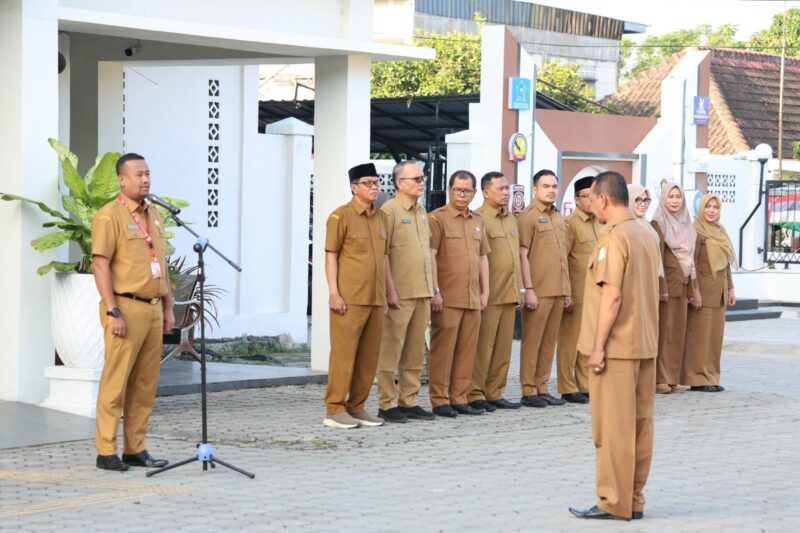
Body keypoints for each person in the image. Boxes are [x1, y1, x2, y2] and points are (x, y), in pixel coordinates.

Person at [569, 171, 661, 521]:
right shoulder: (645, 232)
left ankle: (612, 500)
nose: (590, 204)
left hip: (617, 348)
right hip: (644, 345)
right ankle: (634, 499)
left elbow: (612, 295)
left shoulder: (615, 237)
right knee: (640, 426)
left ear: (603, 199)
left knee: (612, 428)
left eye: (592, 198)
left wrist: (597, 347)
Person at [91, 153, 173, 471]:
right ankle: (105, 450)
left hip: (152, 310)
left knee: (144, 384)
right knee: (116, 382)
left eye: (148, 173)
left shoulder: (154, 214)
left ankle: (134, 448)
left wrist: (168, 306)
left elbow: (161, 265)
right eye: (138, 174)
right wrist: (112, 311)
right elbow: (100, 265)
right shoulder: (109, 216)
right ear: (121, 180)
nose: (145, 180)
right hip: (124, 307)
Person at [323, 163, 388, 429]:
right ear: (354, 187)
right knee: (344, 355)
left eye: (376, 183)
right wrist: (334, 293)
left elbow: (384, 258)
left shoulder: (382, 218)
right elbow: (331, 255)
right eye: (367, 183)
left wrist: (389, 293)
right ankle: (335, 408)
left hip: (375, 298)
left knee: (369, 357)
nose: (373, 188)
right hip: (349, 299)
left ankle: (357, 406)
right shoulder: (340, 217)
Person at [375, 161, 436, 423]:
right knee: (391, 350)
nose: (421, 182)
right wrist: (390, 290)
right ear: (400, 183)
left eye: (422, 178)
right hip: (399, 292)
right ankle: (387, 403)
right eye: (415, 179)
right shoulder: (389, 211)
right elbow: (384, 254)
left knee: (414, 351)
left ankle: (409, 400)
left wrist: (432, 288)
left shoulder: (422, 210)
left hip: (421, 291)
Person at [428, 170, 490, 417]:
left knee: (467, 350)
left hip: (472, 296)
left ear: (474, 193)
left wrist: (486, 291)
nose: (462, 195)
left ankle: (459, 396)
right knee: (443, 351)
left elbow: (483, 257)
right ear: (449, 190)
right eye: (458, 190)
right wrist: (435, 291)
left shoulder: (477, 220)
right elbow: (430, 256)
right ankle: (439, 399)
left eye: (467, 191)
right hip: (448, 296)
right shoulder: (437, 219)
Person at [466, 172, 523, 412]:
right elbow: (478, 259)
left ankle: (495, 392)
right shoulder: (478, 219)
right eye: (500, 189)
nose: (506, 193)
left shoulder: (511, 219)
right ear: (486, 192)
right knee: (483, 347)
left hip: (509, 293)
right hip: (489, 294)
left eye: (507, 189)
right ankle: (475, 392)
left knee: (503, 348)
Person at [517, 169, 570, 407]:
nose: (550, 191)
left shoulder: (559, 217)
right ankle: (528, 390)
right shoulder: (528, 217)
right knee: (533, 342)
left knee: (549, 343)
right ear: (535, 189)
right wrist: (528, 288)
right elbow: (522, 254)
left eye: (554, 186)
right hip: (538, 290)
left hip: (558, 289)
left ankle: (542, 386)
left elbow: (563, 257)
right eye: (545, 186)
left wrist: (567, 290)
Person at [682, 194, 737, 392]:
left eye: (715, 207)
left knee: (714, 338)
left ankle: (712, 377)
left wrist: (730, 288)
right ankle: (697, 379)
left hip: (719, 291)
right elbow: (691, 263)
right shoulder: (695, 230)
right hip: (703, 291)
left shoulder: (721, 230)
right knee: (699, 337)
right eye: (708, 207)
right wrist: (694, 290)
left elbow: (726, 263)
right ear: (701, 208)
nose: (712, 210)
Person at [651, 182, 700, 394]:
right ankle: (659, 379)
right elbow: (657, 258)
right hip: (667, 287)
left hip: (683, 284)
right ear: (663, 198)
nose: (674, 200)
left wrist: (694, 289)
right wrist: (661, 287)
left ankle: (672, 378)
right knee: (665, 333)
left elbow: (691, 260)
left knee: (678, 333)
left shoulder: (687, 222)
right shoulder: (657, 222)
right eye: (670, 196)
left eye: (678, 197)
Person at [556, 176, 599, 404]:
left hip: (596, 293)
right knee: (570, 342)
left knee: (588, 341)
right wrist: (566, 292)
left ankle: (584, 383)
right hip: (577, 291)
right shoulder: (570, 224)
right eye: (586, 196)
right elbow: (563, 259)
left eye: (595, 196)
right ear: (576, 199)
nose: (591, 201)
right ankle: (567, 385)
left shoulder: (600, 223)